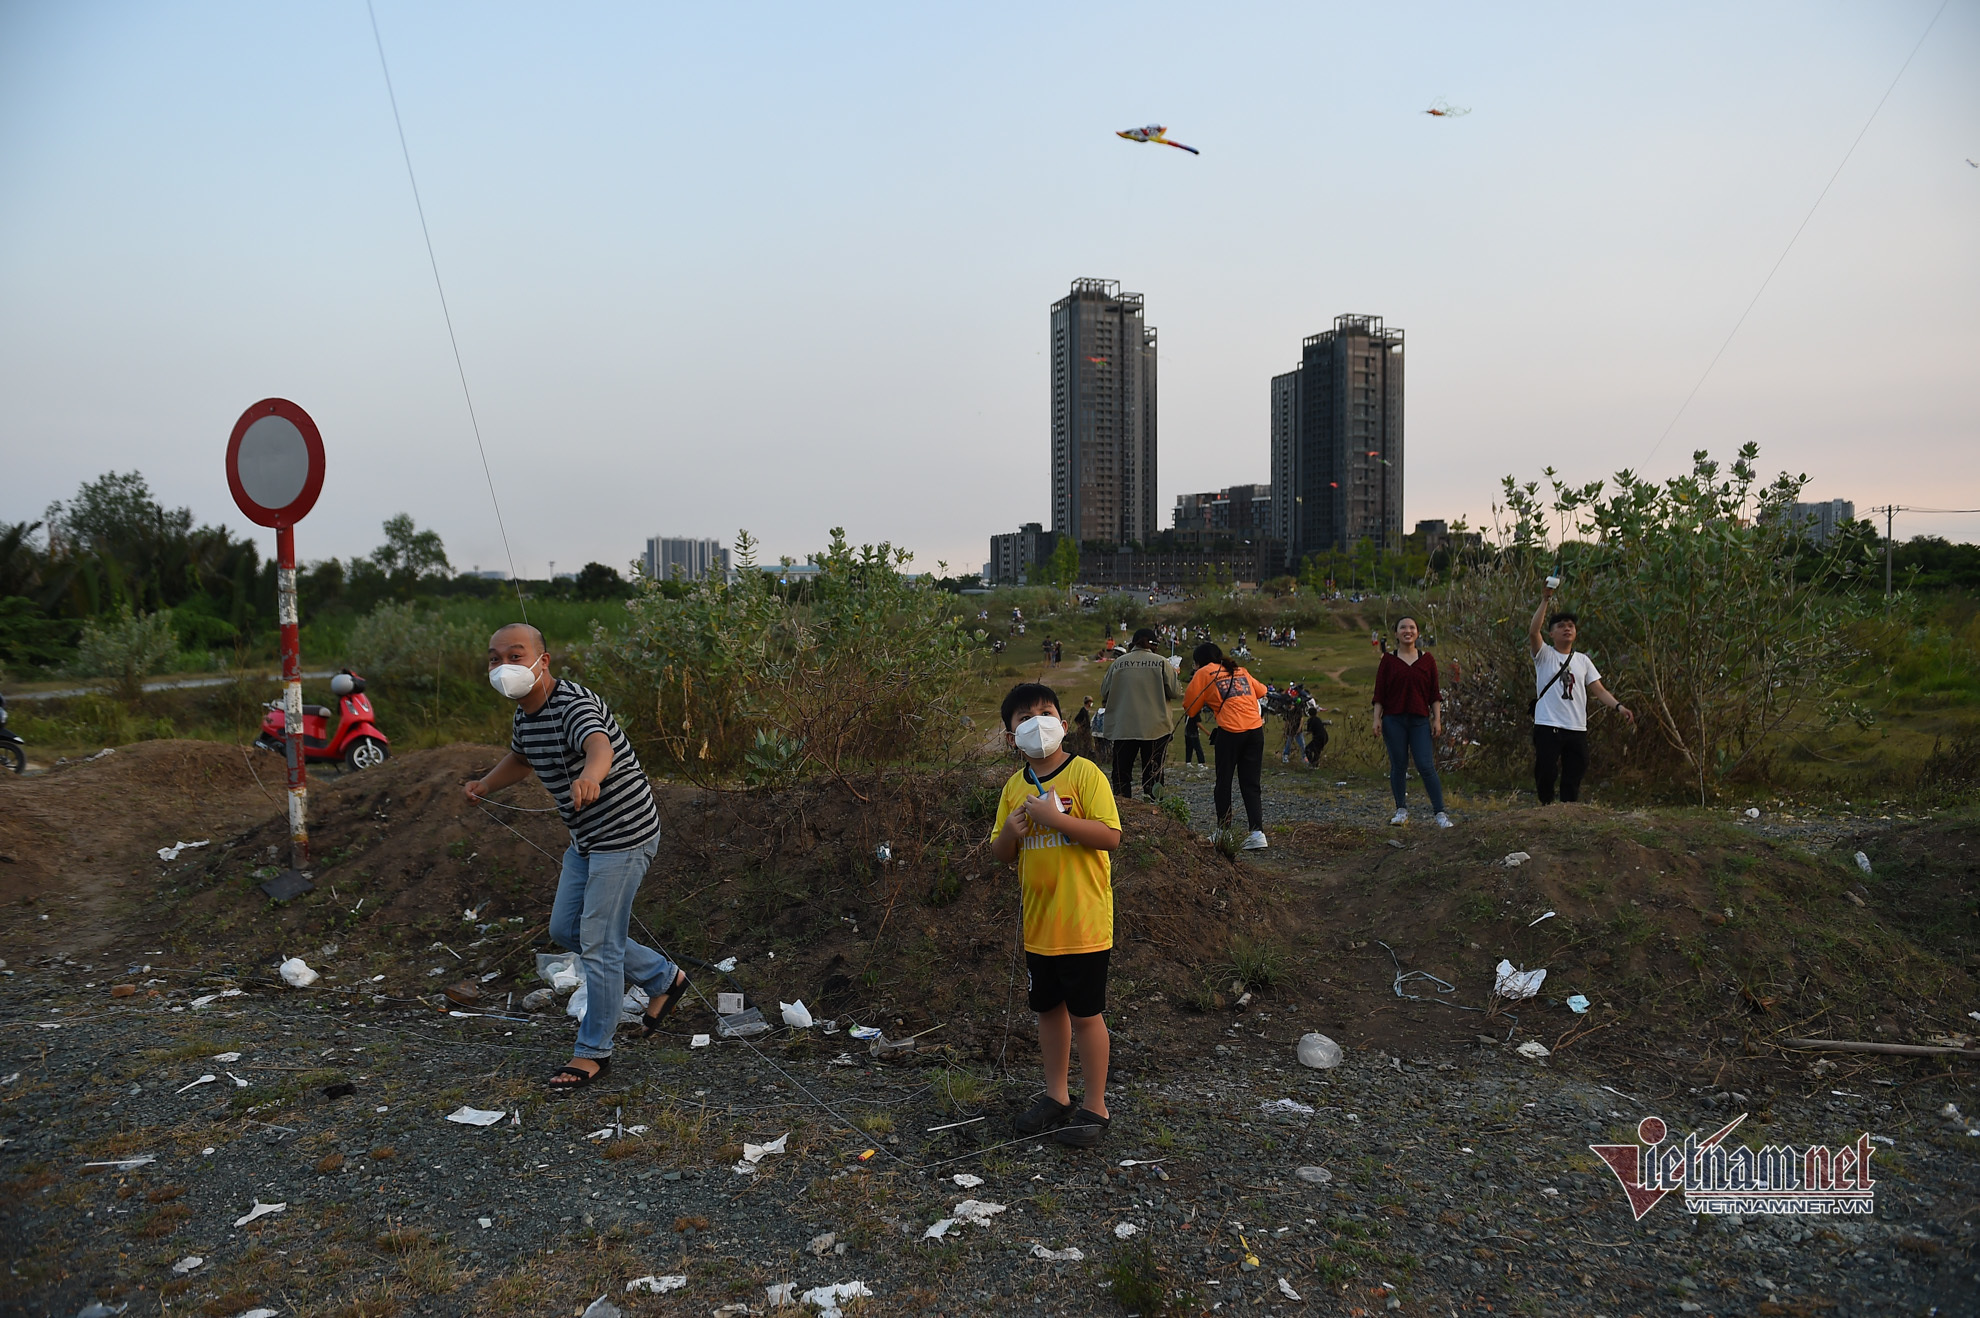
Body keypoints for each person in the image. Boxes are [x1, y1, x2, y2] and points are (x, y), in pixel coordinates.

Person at [466, 624, 683, 1089]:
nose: (504, 665)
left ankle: (593, 1052)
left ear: (543, 662)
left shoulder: (572, 704)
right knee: (566, 929)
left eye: (516, 655)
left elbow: (598, 744)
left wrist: (591, 775)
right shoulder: (525, 716)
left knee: (599, 943)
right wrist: (485, 783)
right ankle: (663, 978)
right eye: (494, 657)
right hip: (585, 839)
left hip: (624, 835)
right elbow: (521, 759)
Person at [990, 682, 1123, 1148]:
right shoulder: (1013, 788)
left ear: (1063, 725)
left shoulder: (1085, 775)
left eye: (1045, 712)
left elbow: (1109, 836)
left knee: (1088, 1015)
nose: (1037, 723)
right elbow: (1002, 853)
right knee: (1048, 1012)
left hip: (1085, 924)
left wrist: (1057, 820)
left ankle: (1096, 1107)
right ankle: (1056, 1095)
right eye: (1024, 718)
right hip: (1040, 926)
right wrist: (1010, 830)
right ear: (1012, 737)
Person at [1528, 585, 1635, 803]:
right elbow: (1533, 631)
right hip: (1548, 724)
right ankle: (1545, 807)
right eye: (1561, 626)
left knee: (1576, 770)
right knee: (1546, 770)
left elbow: (1599, 689)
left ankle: (1568, 810)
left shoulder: (1583, 660)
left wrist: (1619, 706)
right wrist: (1545, 600)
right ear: (1552, 633)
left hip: (1576, 727)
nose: (1567, 628)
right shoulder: (1544, 654)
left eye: (1571, 626)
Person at [1183, 643, 1268, 850]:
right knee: (1251, 783)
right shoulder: (1239, 670)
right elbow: (1262, 690)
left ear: (1198, 661)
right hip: (1255, 730)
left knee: (1224, 781)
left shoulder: (1203, 673)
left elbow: (1190, 708)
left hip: (1230, 731)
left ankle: (1224, 831)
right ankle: (1257, 833)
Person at [1371, 617, 1451, 828]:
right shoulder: (1388, 660)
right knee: (1399, 765)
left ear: (1417, 632)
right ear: (1396, 634)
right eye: (1403, 628)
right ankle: (1401, 810)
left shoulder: (1427, 660)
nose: (1408, 631)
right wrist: (1376, 719)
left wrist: (1437, 719)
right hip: (1393, 720)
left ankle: (1440, 813)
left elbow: (1434, 693)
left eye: (1412, 627)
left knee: (1426, 765)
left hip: (1419, 720)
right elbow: (1379, 693)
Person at [1099, 627, 1183, 799]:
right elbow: (1175, 692)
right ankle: (1154, 807)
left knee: (1121, 773)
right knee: (1153, 773)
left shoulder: (1118, 663)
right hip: (1155, 728)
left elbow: (1104, 691)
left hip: (1123, 728)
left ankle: (1122, 808)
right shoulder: (1161, 662)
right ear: (1153, 645)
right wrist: (1175, 675)